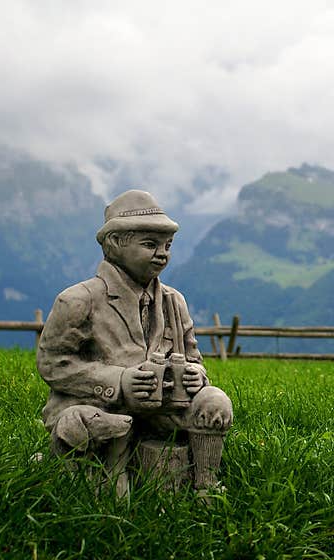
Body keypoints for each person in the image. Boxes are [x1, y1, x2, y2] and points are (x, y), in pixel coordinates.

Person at [36, 189, 233, 496]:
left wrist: (197, 375)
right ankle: (86, 467)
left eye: (167, 245)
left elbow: (193, 356)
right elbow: (53, 363)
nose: (162, 253)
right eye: (150, 244)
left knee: (215, 401)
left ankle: (205, 485)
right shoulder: (79, 300)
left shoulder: (173, 301)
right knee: (107, 487)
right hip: (99, 405)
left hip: (163, 407)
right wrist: (120, 381)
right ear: (115, 244)